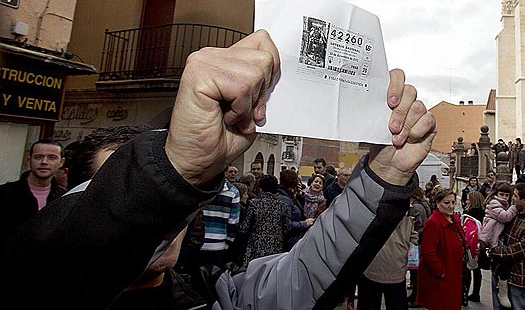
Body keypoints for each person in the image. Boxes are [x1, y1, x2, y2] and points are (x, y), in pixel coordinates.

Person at [1, 30, 437, 309]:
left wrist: (384, 174)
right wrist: (180, 166)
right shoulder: (36, 280)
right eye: (126, 190)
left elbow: (309, 272)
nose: (161, 215)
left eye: (168, 197)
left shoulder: (220, 297)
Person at [488, 183, 525, 310]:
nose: (512, 199)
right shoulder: (513, 215)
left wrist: (494, 251)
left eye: (515, 196)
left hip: (519, 277)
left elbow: (519, 249)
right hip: (500, 271)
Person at [0, 138, 67, 242]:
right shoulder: (4, 193)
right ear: (29, 160)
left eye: (52, 157)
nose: (44, 162)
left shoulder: (65, 198)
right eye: (38, 157)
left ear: (61, 162)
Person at [416, 188, 465, 310]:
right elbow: (428, 252)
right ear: (438, 204)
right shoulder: (433, 223)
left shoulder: (454, 220)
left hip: (453, 273)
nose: (451, 206)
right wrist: (440, 272)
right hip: (441, 278)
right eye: (446, 203)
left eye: (453, 202)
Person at [357, 216, 417, 310]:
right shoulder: (407, 212)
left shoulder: (369, 210)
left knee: (369, 304)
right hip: (397, 269)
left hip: (370, 268)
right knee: (396, 303)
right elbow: (414, 239)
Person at [235, 174, 289, 265]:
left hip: (255, 248)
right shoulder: (282, 205)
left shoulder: (254, 203)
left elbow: (244, 228)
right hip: (275, 249)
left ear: (261, 188)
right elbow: (286, 228)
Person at [407, 186, 431, 306]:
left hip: (417, 240)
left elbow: (417, 224)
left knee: (415, 270)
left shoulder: (415, 206)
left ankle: (416, 297)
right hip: (422, 239)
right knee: (416, 270)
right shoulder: (424, 204)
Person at [277, 168, 312, 250]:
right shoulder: (285, 199)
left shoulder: (290, 196)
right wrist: (305, 223)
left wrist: (299, 195)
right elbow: (287, 224)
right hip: (288, 241)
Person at [464, 191, 485, 302]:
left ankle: (465, 293)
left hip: (471, 245)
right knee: (477, 270)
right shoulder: (484, 213)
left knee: (468, 269)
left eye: (468, 199)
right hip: (480, 245)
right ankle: (476, 293)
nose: (467, 201)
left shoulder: (470, 214)